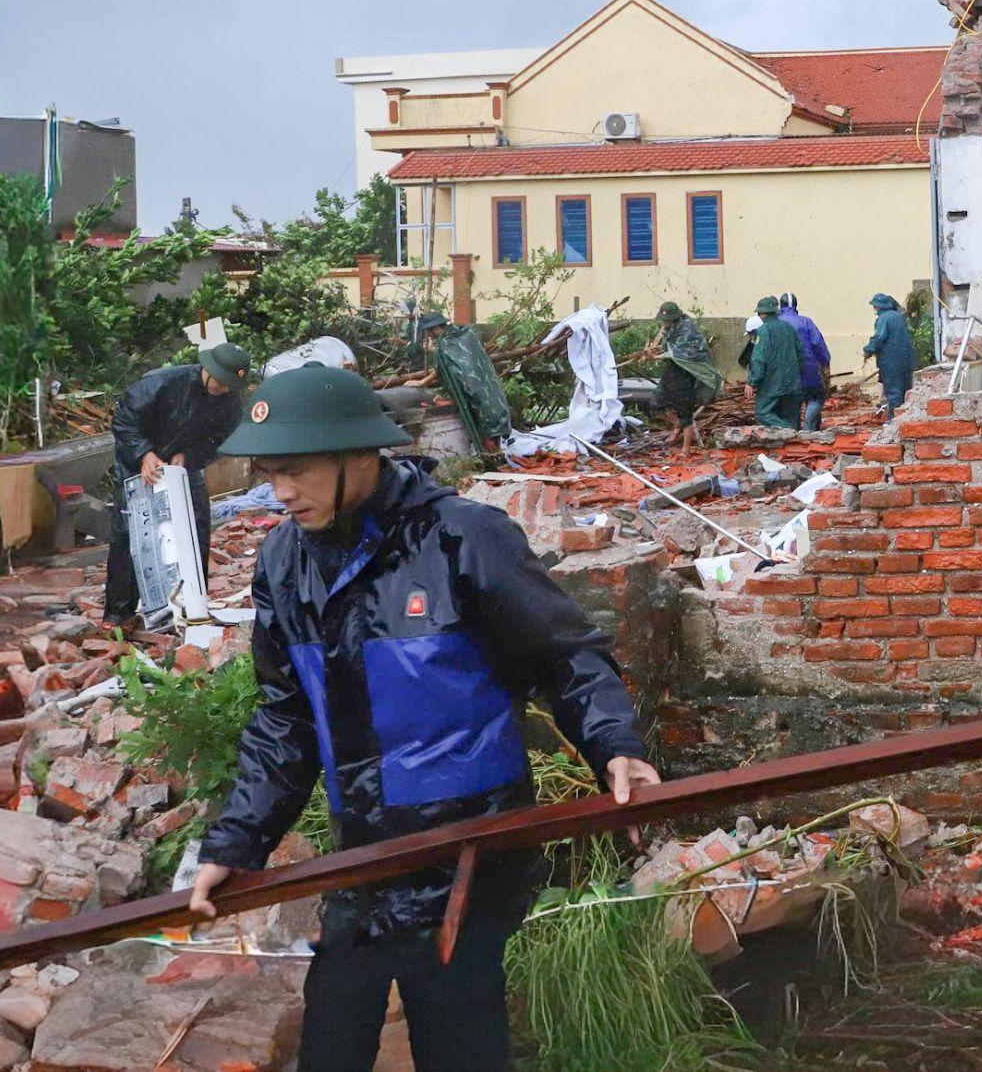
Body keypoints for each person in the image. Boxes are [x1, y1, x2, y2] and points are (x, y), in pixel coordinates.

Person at [186, 364, 659, 1072]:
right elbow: (285, 717)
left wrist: (615, 744)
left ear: (360, 454)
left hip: (470, 850)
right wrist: (236, 840)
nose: (280, 491)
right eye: (268, 471)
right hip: (365, 855)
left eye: (297, 470)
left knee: (459, 1042)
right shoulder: (285, 560)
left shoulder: (460, 539)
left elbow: (565, 654)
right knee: (332, 1038)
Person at [103, 342, 253, 626]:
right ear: (207, 369)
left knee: (195, 528)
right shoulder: (163, 383)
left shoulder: (230, 402)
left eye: (228, 384)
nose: (221, 388)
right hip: (137, 463)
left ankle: (189, 605)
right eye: (219, 381)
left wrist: (190, 455)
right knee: (131, 535)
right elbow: (124, 421)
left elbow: (220, 440)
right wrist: (143, 454)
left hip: (183, 467)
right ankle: (118, 614)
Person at [405, 310, 514, 454]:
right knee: (493, 431)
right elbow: (457, 359)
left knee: (486, 433)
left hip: (477, 394)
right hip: (492, 390)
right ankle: (496, 459)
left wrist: (422, 382)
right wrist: (435, 351)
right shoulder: (466, 334)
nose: (429, 335)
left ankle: (493, 461)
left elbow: (445, 367)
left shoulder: (445, 343)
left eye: (429, 331)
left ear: (434, 328)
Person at [644, 301, 721, 449]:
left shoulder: (686, 329)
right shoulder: (669, 328)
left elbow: (682, 354)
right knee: (656, 403)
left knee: (685, 412)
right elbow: (668, 348)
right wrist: (653, 351)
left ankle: (686, 449)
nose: (664, 323)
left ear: (675, 317)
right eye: (663, 320)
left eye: (667, 320)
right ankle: (676, 424)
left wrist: (658, 357)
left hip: (686, 371)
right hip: (672, 369)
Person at [776, 293, 833, 432]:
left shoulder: (774, 324)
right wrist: (825, 361)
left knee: (791, 404)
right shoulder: (806, 322)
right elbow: (818, 344)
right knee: (815, 397)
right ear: (796, 305)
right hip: (808, 369)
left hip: (783, 374)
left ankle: (792, 433)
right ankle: (809, 427)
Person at [745, 295, 802, 429]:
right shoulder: (789, 328)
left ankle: (789, 432)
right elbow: (800, 354)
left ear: (761, 313)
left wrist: (752, 382)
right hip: (793, 383)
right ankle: (794, 442)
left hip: (772, 384)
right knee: (791, 416)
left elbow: (759, 359)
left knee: (763, 413)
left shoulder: (763, 331)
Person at [863, 293, 916, 417]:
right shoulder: (898, 316)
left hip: (891, 360)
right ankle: (905, 417)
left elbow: (879, 337)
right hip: (907, 360)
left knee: (893, 392)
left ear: (877, 307)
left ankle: (894, 420)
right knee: (905, 390)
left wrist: (868, 350)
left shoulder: (883, 319)